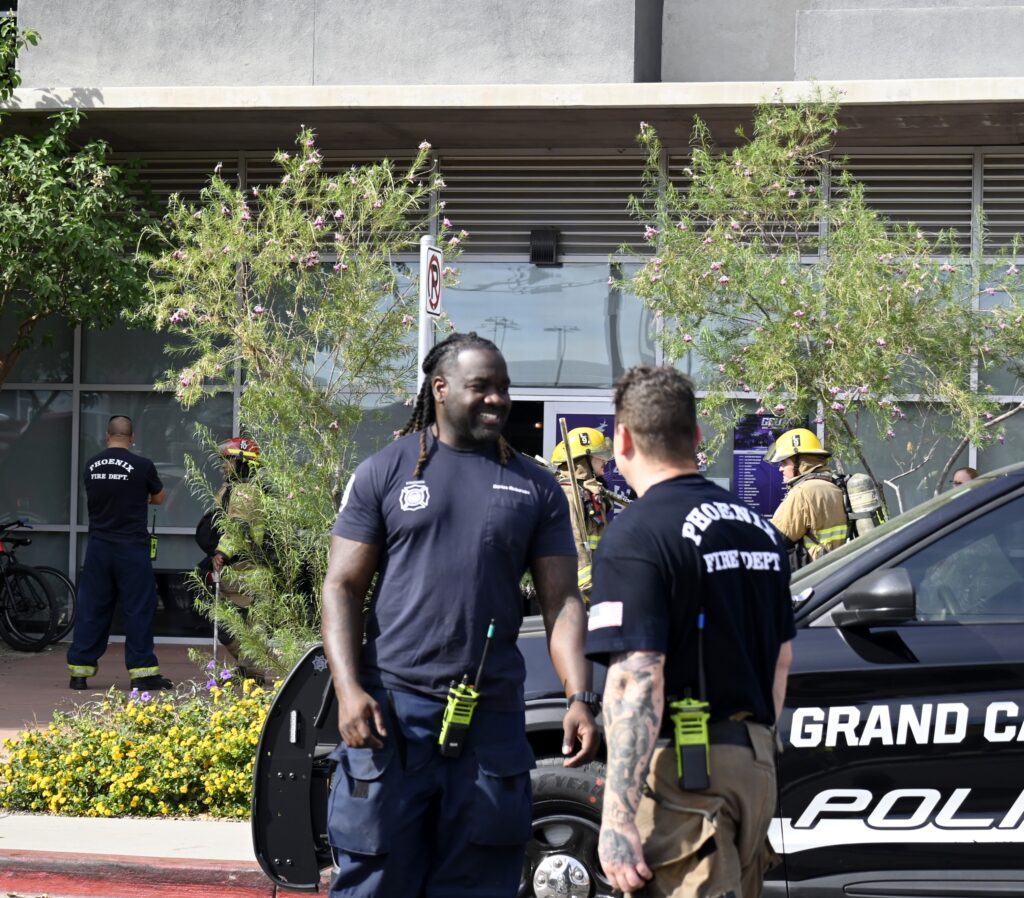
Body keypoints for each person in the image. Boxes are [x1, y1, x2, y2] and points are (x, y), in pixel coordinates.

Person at [321, 331, 599, 898]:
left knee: (479, 882)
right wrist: (349, 691)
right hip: (392, 716)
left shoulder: (536, 486)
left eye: (504, 388)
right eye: (482, 387)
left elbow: (563, 600)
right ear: (441, 388)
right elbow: (342, 587)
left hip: (490, 721)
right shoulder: (386, 471)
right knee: (375, 881)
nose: (498, 399)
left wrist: (579, 696)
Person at [585, 366, 794, 898]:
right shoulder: (760, 529)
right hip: (754, 764)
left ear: (623, 439)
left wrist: (617, 818)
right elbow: (781, 659)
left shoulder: (636, 535)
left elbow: (637, 678)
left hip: (686, 773)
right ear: (696, 436)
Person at [68, 415, 171, 691]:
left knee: (93, 607)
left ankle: (79, 673)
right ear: (132, 437)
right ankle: (142, 673)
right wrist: (141, 495)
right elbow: (159, 497)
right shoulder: (142, 465)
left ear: (107, 436)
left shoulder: (91, 465)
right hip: (131, 548)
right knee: (138, 608)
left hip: (98, 547)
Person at [208, 436, 266, 676]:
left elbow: (238, 528)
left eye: (228, 460)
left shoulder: (245, 492)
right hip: (236, 571)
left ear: (243, 463)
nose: (224, 465)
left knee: (249, 628)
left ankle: (252, 674)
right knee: (229, 627)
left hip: (249, 571)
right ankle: (248, 669)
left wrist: (221, 552)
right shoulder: (231, 489)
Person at [765, 427, 848, 568]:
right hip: (838, 568)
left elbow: (774, 539)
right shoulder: (835, 485)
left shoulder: (803, 492)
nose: (780, 468)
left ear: (801, 462)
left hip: (812, 573)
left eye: (784, 463)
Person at [550, 426, 615, 600]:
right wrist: (589, 588)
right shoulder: (568, 494)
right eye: (599, 455)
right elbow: (574, 540)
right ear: (583, 460)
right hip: (577, 590)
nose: (605, 460)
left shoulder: (586, 491)